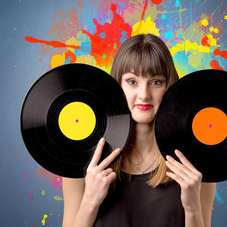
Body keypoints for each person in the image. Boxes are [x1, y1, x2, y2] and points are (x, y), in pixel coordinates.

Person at [62, 34, 216, 227]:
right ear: (116, 85)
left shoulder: (196, 164)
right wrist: (90, 201)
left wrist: (192, 208)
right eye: (132, 81)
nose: (144, 94)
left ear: (169, 86)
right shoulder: (82, 159)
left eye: (156, 82)